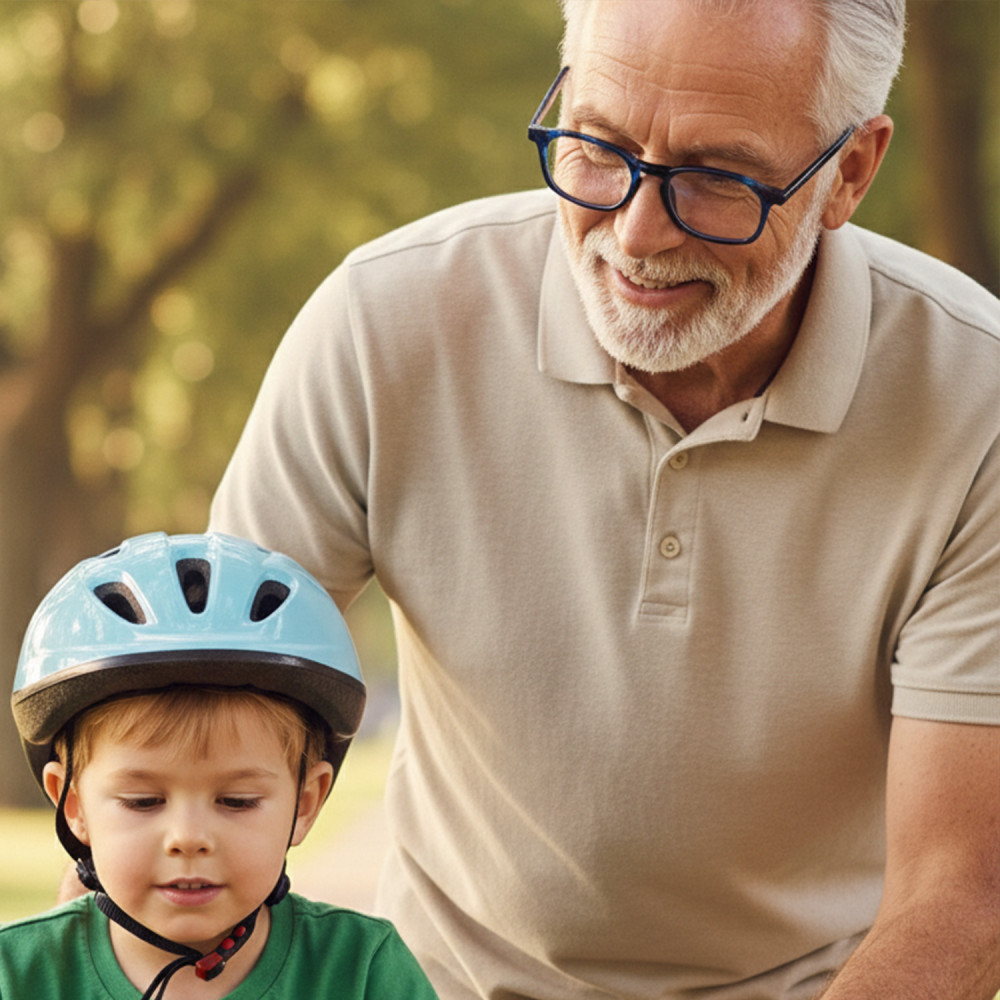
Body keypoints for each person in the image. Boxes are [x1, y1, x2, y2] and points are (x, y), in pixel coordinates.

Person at [208, 0, 1000, 997]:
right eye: (597, 145)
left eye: (716, 177)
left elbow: (962, 891)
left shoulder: (977, 404)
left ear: (848, 172)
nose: (635, 231)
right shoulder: (382, 325)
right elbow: (195, 734)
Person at [4, 532, 439, 1000]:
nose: (189, 838)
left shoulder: (362, 971)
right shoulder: (18, 976)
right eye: (143, 801)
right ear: (73, 806)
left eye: (237, 801)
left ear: (305, 802)